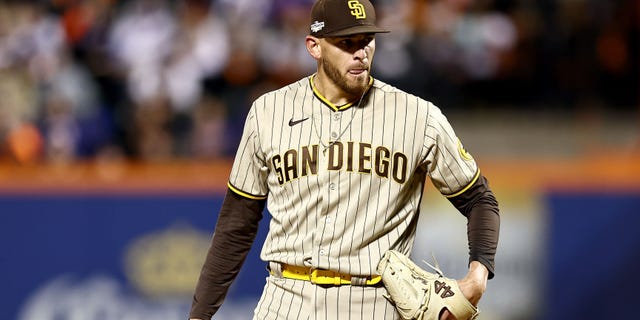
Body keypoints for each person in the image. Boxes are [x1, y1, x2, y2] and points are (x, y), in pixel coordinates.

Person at [189, 0, 500, 319]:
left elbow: (480, 199)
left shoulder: (418, 117)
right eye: (345, 43)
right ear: (314, 46)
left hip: (372, 301)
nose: (360, 52)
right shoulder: (269, 112)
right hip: (286, 297)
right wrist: (199, 316)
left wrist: (478, 276)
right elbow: (236, 225)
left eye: (367, 40)